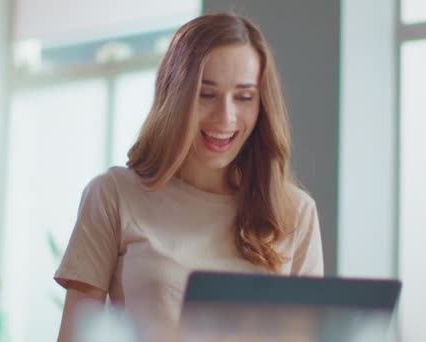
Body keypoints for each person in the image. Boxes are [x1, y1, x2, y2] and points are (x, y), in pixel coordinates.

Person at [54, 12, 324, 342]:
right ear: (175, 96)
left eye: (243, 97)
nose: (225, 116)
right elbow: (75, 336)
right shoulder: (113, 195)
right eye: (206, 94)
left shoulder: (296, 212)